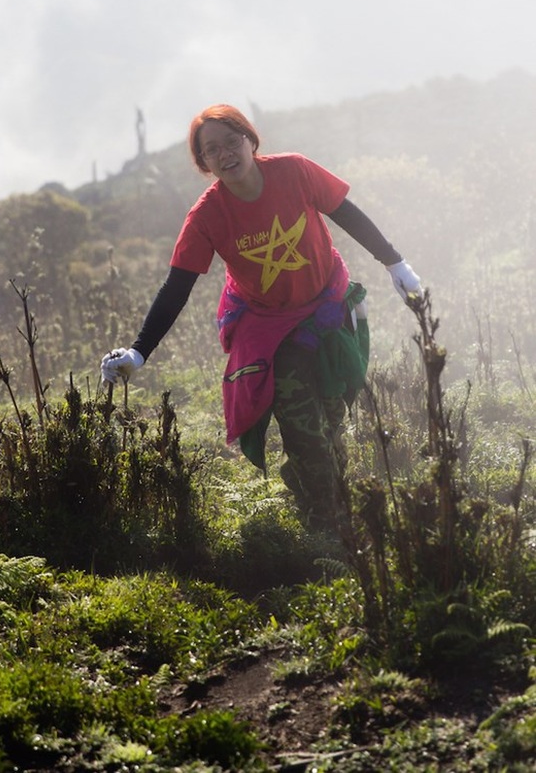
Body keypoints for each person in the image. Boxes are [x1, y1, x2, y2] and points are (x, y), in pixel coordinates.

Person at [101, 104, 421, 534]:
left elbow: (346, 212)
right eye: (212, 150)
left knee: (331, 416)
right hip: (270, 327)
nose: (226, 154)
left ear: (250, 140)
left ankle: (315, 487)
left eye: (232, 141)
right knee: (304, 427)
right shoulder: (208, 216)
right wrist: (139, 352)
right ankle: (327, 525)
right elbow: (176, 288)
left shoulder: (295, 172)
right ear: (204, 163)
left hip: (327, 305)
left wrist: (395, 264)